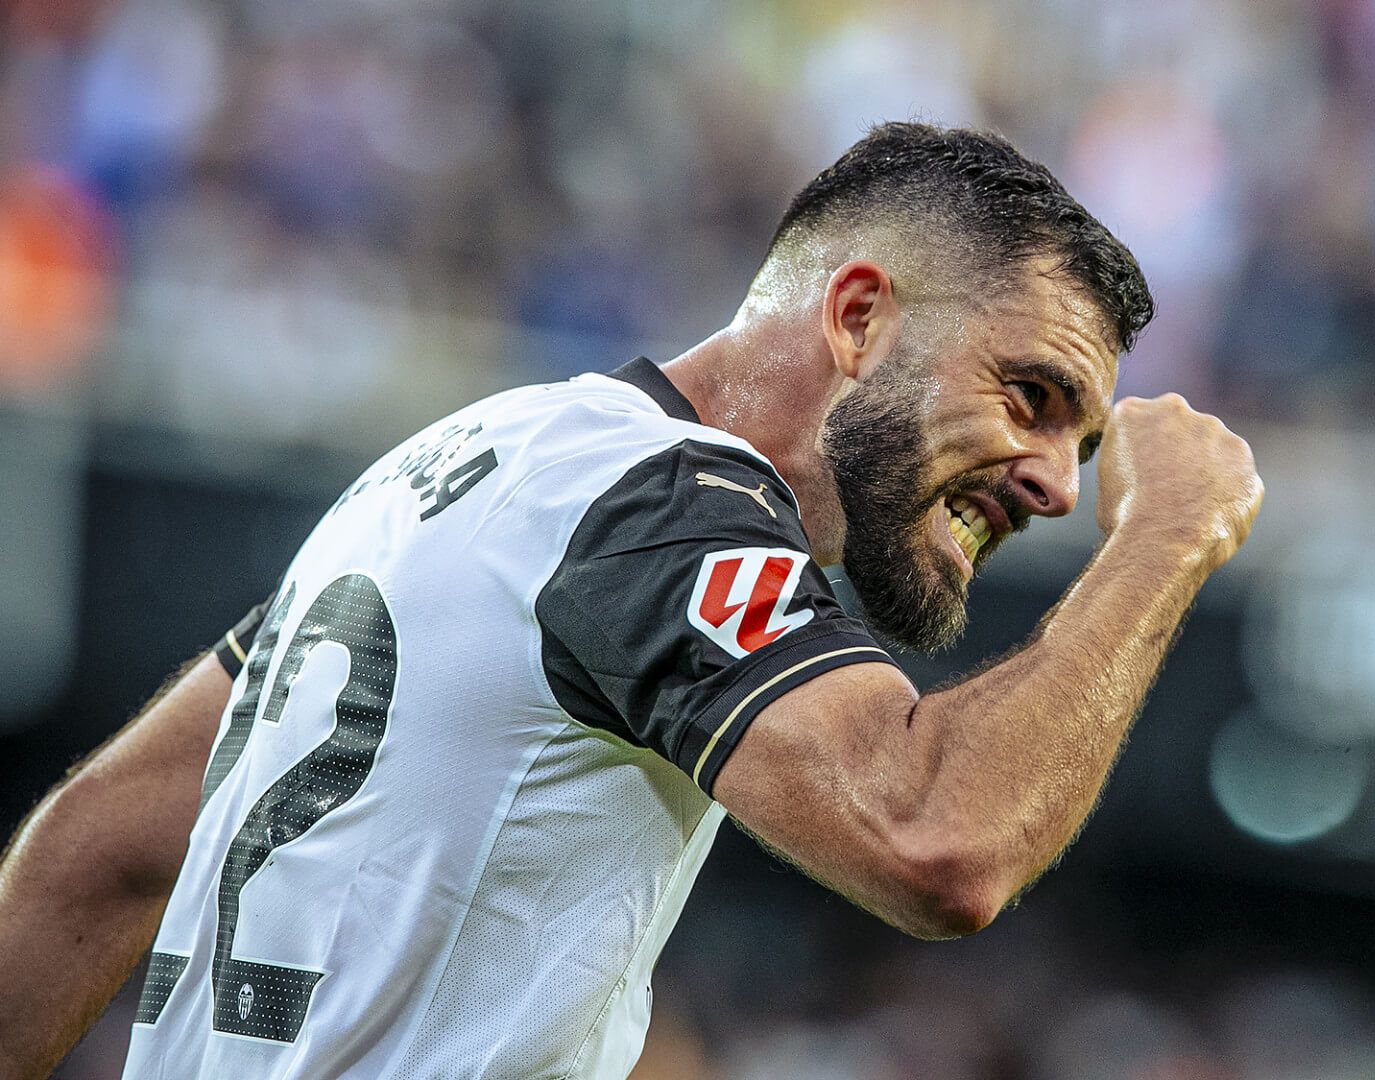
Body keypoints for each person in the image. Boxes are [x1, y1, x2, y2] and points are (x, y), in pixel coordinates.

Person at [0, 122, 1262, 1079]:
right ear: (862, 316)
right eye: (1032, 396)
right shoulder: (666, 504)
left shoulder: (465, 458)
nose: (1053, 483)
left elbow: (94, 848)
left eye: (1087, 447)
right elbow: (935, 841)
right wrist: (1164, 539)